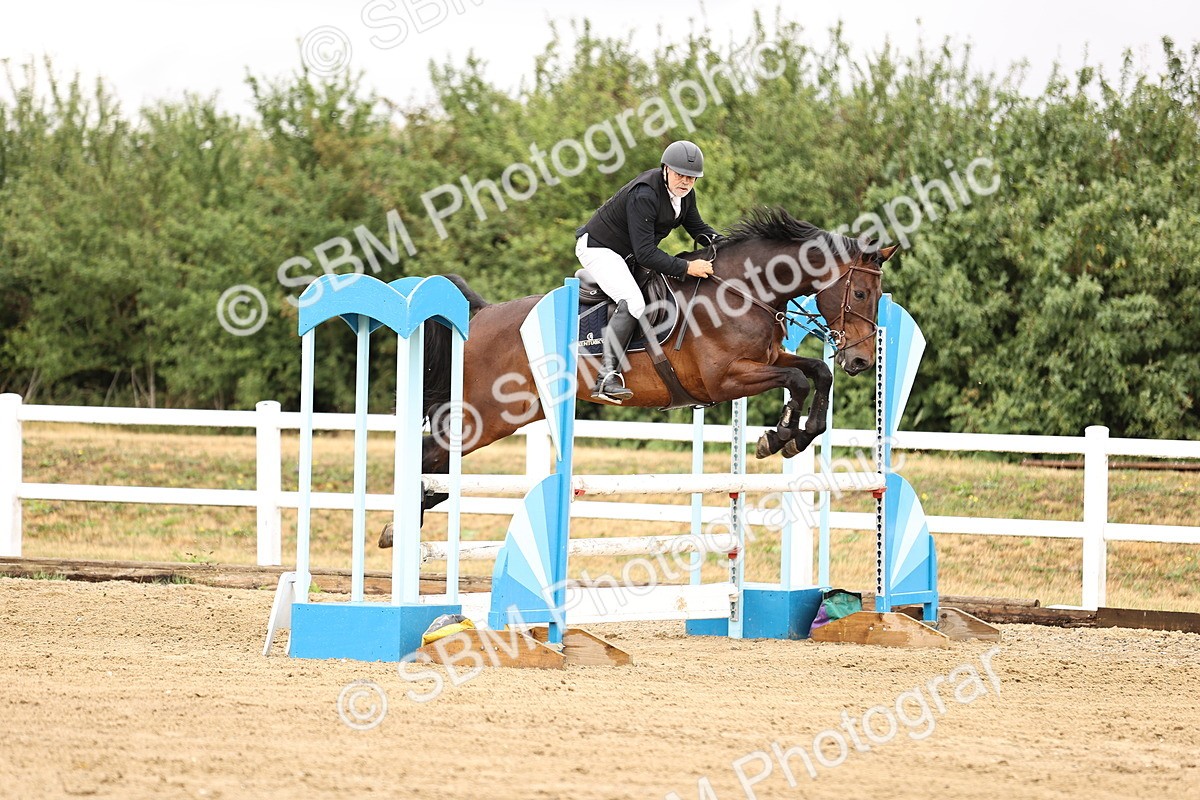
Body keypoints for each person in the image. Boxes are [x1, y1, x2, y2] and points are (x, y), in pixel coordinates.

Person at [575, 140, 721, 404]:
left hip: (626, 252)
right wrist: (687, 267)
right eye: (680, 174)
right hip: (599, 248)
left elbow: (698, 227)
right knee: (633, 301)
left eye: (691, 177)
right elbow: (646, 254)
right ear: (665, 169)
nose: (686, 182)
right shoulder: (645, 194)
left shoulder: (684, 196)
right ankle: (606, 377)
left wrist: (728, 246)